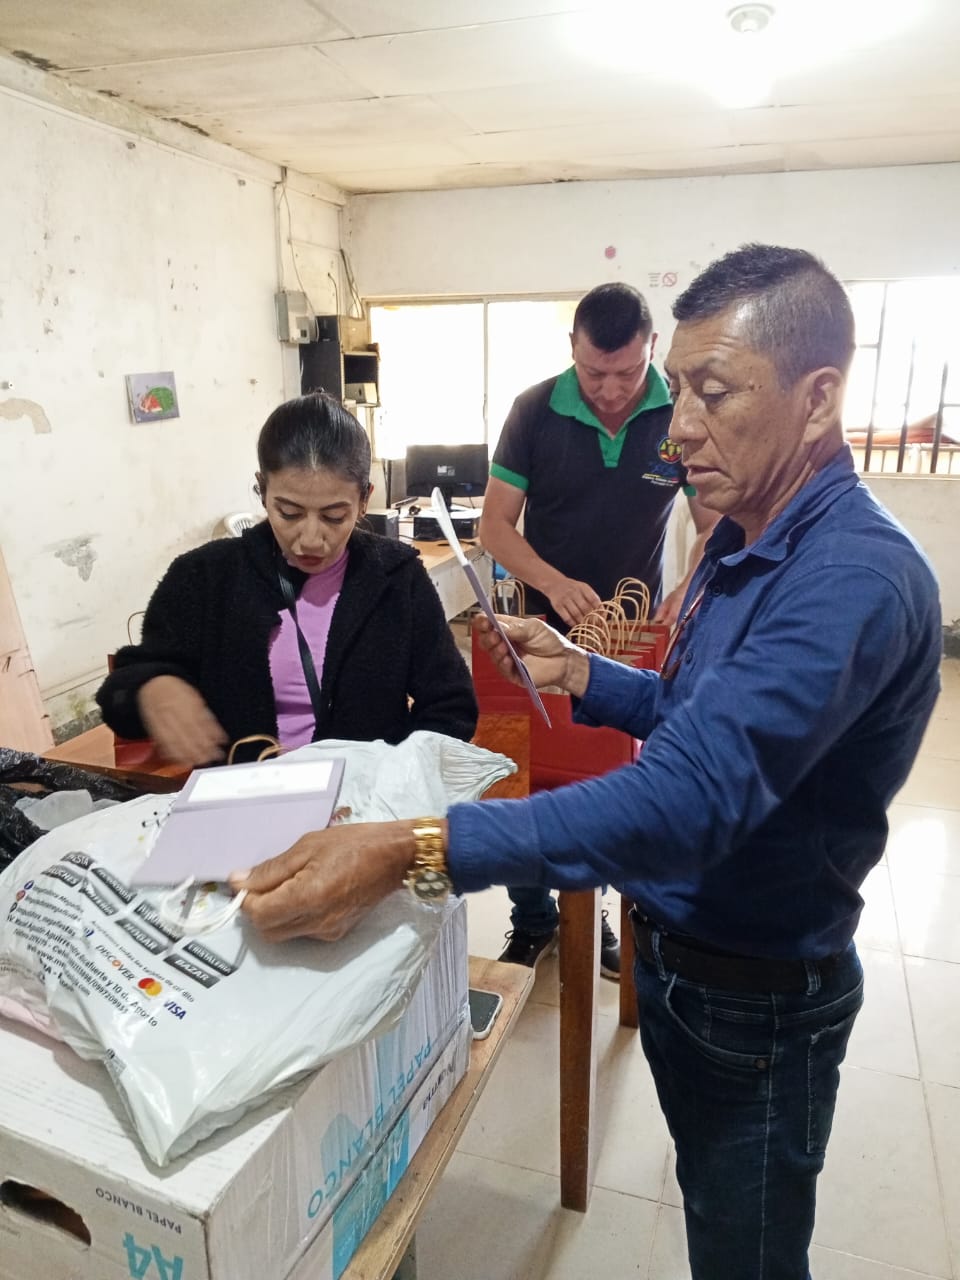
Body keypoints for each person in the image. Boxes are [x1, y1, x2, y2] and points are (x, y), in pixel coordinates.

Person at [230, 245, 942, 1280]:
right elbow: (693, 716)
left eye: (712, 392)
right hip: (687, 963)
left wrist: (412, 847)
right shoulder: (748, 540)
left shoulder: (851, 579)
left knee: (745, 1254)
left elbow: (686, 798)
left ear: (818, 398)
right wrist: (583, 672)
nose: (678, 425)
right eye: (677, 391)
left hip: (754, 996)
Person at [480, 282, 718, 974]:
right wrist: (553, 582)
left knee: (608, 777)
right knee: (519, 773)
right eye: (594, 374)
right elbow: (494, 526)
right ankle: (532, 918)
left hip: (627, 640)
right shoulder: (533, 411)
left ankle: (595, 912)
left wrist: (690, 584)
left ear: (653, 350)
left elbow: (713, 525)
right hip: (534, 633)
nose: (611, 391)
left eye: (628, 373)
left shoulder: (677, 415)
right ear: (572, 351)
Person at [97, 392, 478, 762]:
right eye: (289, 513)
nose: (310, 538)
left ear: (365, 499)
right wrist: (153, 688)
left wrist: (394, 773)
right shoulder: (205, 576)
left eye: (334, 516)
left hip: (365, 797)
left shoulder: (396, 577)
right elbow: (120, 699)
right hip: (240, 793)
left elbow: (451, 707)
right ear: (262, 490)